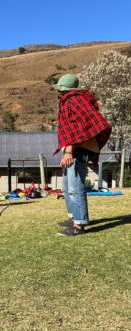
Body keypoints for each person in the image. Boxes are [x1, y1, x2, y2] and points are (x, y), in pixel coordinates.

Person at [53, 74, 112, 236]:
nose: (57, 91)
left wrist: (69, 150)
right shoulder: (75, 99)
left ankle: (79, 225)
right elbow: (73, 129)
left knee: (74, 186)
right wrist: (66, 150)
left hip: (79, 149)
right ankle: (74, 218)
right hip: (73, 148)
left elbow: (78, 128)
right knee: (66, 186)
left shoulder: (74, 100)